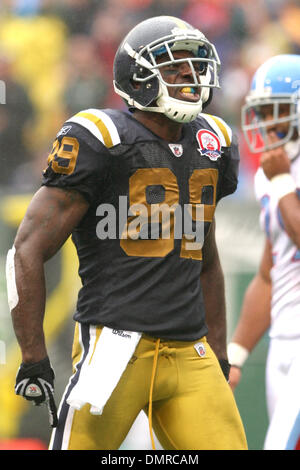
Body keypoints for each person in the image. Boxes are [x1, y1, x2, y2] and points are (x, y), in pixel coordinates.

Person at [7, 16, 247, 450]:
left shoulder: (212, 141)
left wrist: (218, 348)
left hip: (190, 352)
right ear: (138, 78)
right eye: (175, 67)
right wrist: (33, 354)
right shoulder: (101, 137)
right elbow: (27, 249)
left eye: (195, 66)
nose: (190, 78)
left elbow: (205, 256)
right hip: (115, 348)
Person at [228, 54, 300, 450]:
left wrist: (285, 184)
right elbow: (269, 273)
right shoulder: (272, 174)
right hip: (282, 342)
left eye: (279, 112)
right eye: (263, 112)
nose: (269, 124)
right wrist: (237, 353)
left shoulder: (279, 176)